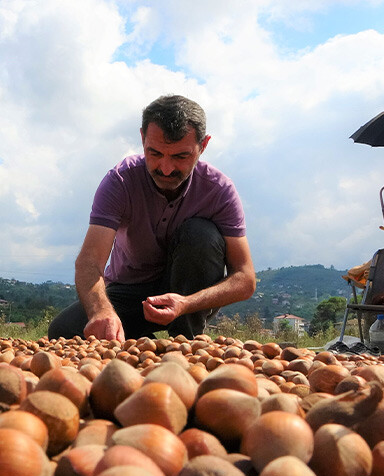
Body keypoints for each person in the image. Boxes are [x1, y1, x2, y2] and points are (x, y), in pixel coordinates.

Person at [48, 95, 256, 342]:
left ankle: (186, 340)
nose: (165, 168)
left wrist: (186, 303)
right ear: (142, 138)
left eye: (180, 156)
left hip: (187, 294)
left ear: (204, 145)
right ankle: (147, 342)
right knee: (64, 331)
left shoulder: (219, 190)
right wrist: (102, 312)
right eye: (154, 153)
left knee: (201, 234)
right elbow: (90, 261)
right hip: (128, 291)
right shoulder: (121, 181)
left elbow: (245, 278)